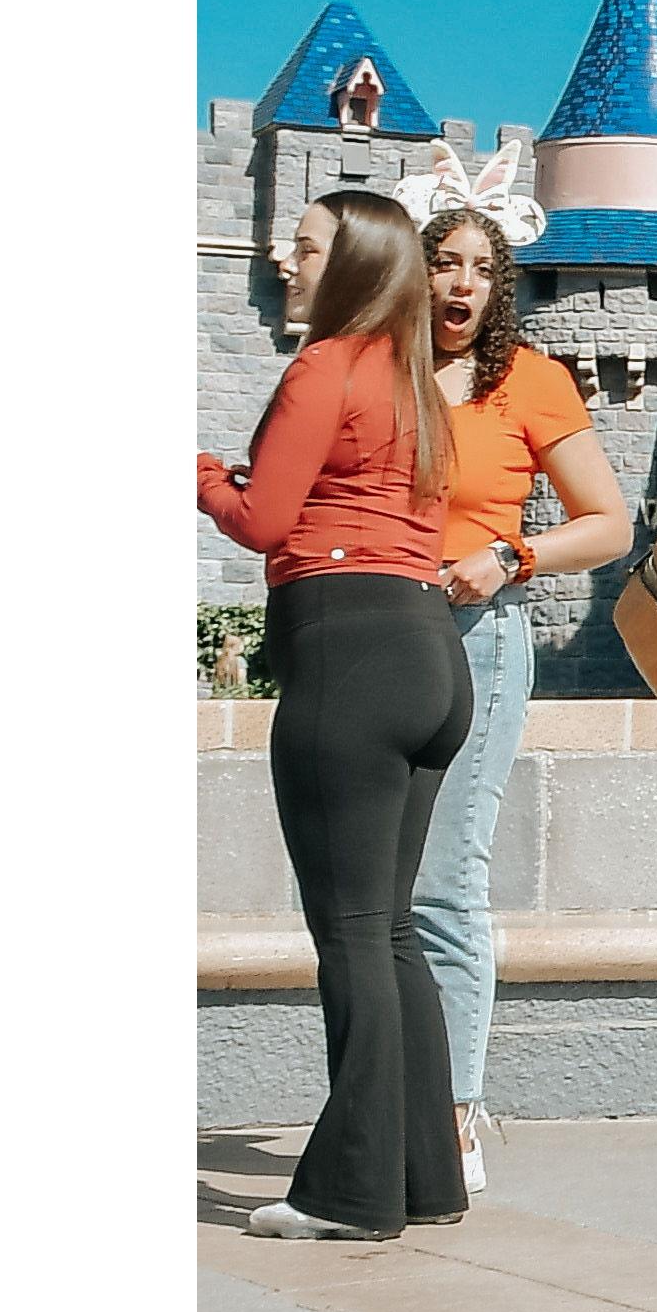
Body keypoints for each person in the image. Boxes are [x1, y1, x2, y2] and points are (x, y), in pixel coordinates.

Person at [198, 184, 473, 1245]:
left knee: (352, 933)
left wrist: (201, 479)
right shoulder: (414, 385)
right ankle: (421, 1177)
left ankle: (348, 1194)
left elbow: (265, 519)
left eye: (305, 247)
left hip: (348, 647)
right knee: (392, 929)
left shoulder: (326, 365)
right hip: (426, 650)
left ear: (353, 264)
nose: (286, 260)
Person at [405, 181, 637, 1200]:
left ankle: (454, 1113)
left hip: (476, 637)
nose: (462, 281)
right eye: (445, 261)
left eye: (482, 267)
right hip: (377, 637)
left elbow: (610, 524)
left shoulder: (532, 381)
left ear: (501, 287)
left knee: (445, 878)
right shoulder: (379, 374)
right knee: (369, 890)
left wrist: (512, 554)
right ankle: (379, 1105)